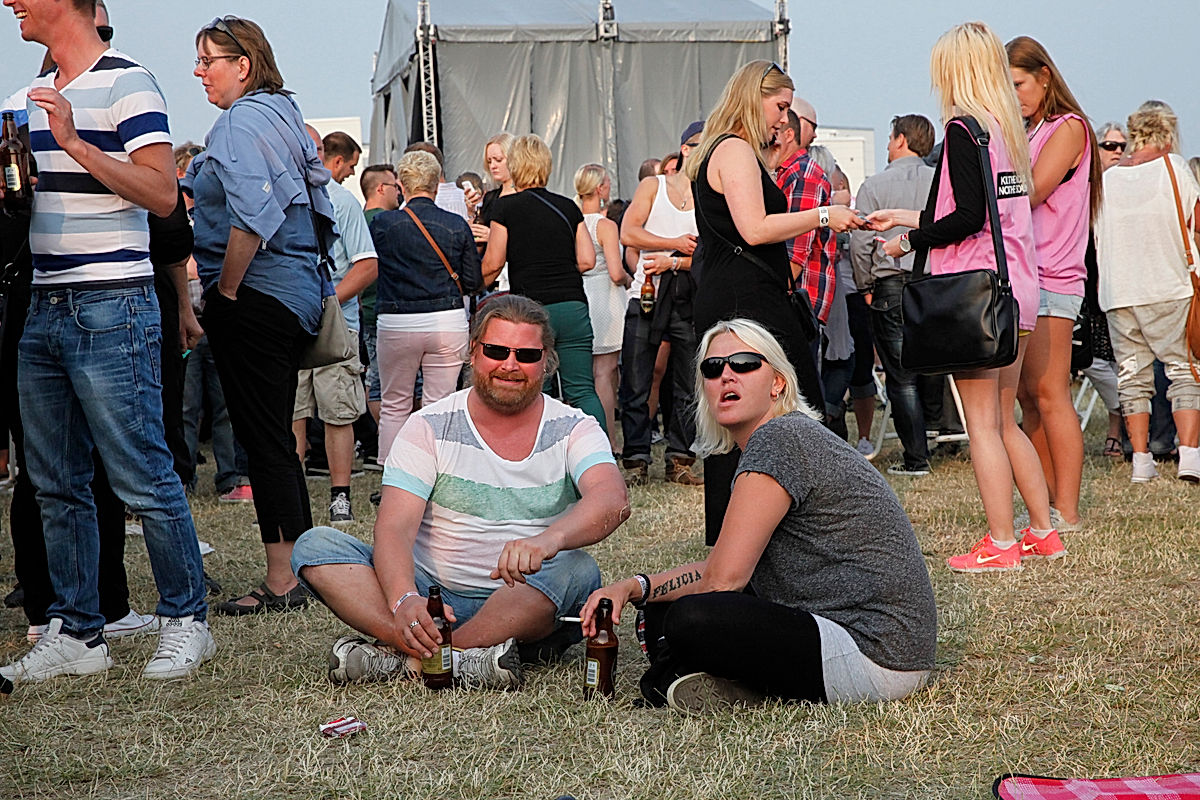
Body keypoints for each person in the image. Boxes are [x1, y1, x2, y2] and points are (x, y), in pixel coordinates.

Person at [1, 0, 213, 683]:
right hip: (42, 303)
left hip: (112, 302)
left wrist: (76, 143)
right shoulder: (19, 99)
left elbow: (161, 196)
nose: (11, 3)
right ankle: (78, 632)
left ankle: (187, 622)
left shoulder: (129, 82)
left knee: (142, 476)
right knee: (54, 482)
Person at [580, 318, 936, 713]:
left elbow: (723, 580)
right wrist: (636, 588)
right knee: (660, 610)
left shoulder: (779, 439)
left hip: (874, 654)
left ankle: (707, 681)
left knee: (690, 619)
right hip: (874, 645)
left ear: (777, 383)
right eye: (712, 369)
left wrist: (653, 597)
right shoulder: (779, 439)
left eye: (745, 363)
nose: (726, 376)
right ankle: (726, 683)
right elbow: (724, 567)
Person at [291, 295, 630, 688]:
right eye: (497, 350)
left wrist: (548, 541)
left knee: (578, 570)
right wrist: (404, 600)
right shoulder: (429, 425)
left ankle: (412, 658)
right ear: (473, 353)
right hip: (429, 596)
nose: (510, 364)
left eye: (526, 354)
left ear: (547, 360)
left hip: (524, 598)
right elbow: (395, 529)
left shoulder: (574, 426)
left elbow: (612, 498)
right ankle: (460, 657)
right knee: (315, 546)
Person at [869, 21, 1056, 572]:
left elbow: (967, 218)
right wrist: (911, 217)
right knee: (1003, 420)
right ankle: (1042, 532)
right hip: (1016, 287)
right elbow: (984, 212)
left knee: (982, 426)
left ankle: (1000, 542)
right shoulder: (1002, 130)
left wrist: (908, 240)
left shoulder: (960, 129)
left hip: (973, 293)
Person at [185, 16, 333, 613]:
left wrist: (224, 291)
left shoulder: (240, 120)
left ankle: (283, 581)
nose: (199, 72)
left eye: (207, 60)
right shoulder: (283, 114)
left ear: (242, 64)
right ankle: (303, 570)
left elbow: (251, 216)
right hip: (294, 295)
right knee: (275, 437)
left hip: (259, 296)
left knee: (263, 440)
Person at [686, 59, 864, 544]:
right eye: (780, 106)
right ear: (753, 97)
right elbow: (755, 228)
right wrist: (824, 214)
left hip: (738, 296)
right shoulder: (735, 150)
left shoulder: (718, 151)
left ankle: (743, 540)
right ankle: (774, 537)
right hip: (747, 303)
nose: (784, 119)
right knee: (789, 409)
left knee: (742, 418)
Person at [1007, 36, 1101, 532]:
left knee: (1049, 392)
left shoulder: (1069, 128)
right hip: (1029, 274)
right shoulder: (1032, 129)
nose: (1013, 94)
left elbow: (1034, 189)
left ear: (1045, 76)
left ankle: (1067, 508)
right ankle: (1045, 503)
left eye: (1018, 83)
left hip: (1054, 274)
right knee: (1029, 395)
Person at [1094, 100, 1200, 482]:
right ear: (1168, 133)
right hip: (1169, 284)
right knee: (1183, 369)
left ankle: (1141, 462)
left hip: (1120, 290)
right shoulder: (1173, 168)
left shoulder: (1107, 179)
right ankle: (1189, 455)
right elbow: (1196, 219)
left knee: (1131, 375)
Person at [480, 134, 606, 429]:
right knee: (583, 390)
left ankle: (542, 461)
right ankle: (601, 457)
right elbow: (587, 260)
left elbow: (493, 262)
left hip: (532, 311)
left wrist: (473, 284)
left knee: (537, 390)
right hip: (573, 307)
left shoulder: (505, 207)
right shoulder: (568, 207)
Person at [371, 149, 483, 460]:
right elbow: (473, 282)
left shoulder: (382, 224)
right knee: (441, 404)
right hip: (446, 320)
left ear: (401, 186)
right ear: (436, 185)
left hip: (396, 321)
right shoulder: (456, 224)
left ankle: (395, 480)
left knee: (394, 403)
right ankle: (437, 475)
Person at [291, 130, 376, 525]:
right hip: (289, 324)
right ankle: (290, 495)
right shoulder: (278, 198)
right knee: (290, 412)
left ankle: (339, 497)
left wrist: (327, 304)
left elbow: (366, 265)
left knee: (338, 413)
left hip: (335, 327)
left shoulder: (341, 202)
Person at [850, 114, 937, 474]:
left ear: (901, 140)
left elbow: (860, 242)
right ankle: (939, 434)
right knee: (936, 366)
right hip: (937, 283)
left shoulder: (874, 185)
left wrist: (865, 284)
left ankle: (916, 456)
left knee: (901, 378)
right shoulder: (942, 181)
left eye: (889, 138)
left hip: (891, 284)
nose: (887, 145)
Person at [620, 122, 705, 486]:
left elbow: (709, 255)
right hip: (648, 294)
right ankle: (637, 459)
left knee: (687, 381)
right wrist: (674, 242)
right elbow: (628, 233)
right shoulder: (653, 185)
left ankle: (679, 459)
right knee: (637, 379)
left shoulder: (709, 196)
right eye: (704, 145)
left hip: (688, 295)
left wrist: (674, 259)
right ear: (685, 149)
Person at [575, 163, 629, 453]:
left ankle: (590, 438)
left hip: (582, 296)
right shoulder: (605, 226)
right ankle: (609, 439)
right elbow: (616, 272)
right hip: (606, 298)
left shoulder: (574, 222)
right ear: (599, 188)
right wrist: (632, 281)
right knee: (605, 373)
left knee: (588, 374)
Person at [357, 163, 402, 441]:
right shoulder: (388, 223)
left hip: (369, 311)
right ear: (381, 188)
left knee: (377, 380)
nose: (399, 192)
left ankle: (381, 443)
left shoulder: (358, 220)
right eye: (395, 186)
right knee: (388, 385)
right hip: (388, 310)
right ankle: (389, 443)